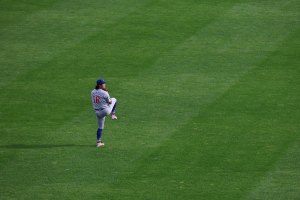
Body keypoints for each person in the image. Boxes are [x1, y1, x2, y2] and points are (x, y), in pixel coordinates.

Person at [91, 79, 117, 148]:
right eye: (103, 84)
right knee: (114, 99)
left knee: (100, 127)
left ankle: (98, 142)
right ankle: (113, 115)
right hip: (105, 111)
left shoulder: (92, 92)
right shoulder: (104, 93)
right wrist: (107, 92)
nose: (104, 85)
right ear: (99, 85)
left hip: (97, 112)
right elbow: (110, 102)